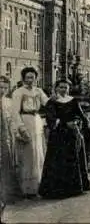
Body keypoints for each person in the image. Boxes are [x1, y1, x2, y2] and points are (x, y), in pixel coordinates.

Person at [38, 79, 90, 199]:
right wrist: (64, 123)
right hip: (58, 135)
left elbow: (81, 115)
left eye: (66, 87)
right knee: (57, 160)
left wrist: (79, 122)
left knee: (72, 158)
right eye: (61, 87)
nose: (63, 89)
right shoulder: (52, 102)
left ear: (69, 89)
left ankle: (73, 189)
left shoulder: (73, 101)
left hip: (71, 135)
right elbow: (51, 118)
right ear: (56, 88)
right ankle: (55, 190)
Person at [11, 67, 49, 198]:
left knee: (39, 153)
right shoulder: (18, 92)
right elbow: (15, 112)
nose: (30, 80)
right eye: (27, 77)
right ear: (23, 78)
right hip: (25, 120)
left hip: (37, 121)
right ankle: (26, 189)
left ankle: (38, 186)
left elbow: (49, 104)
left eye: (33, 77)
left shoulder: (38, 91)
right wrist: (21, 128)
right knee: (28, 155)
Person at [0, 76, 27, 222]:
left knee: (6, 168)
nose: (2, 90)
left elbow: (13, 121)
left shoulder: (8, 103)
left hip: (5, 139)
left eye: (4, 87)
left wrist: (17, 133)